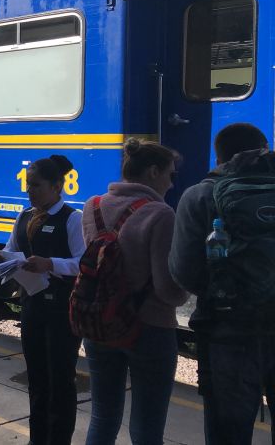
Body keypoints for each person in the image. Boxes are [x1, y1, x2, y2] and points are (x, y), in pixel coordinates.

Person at [169, 123, 275, 444]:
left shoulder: (200, 195)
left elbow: (183, 273)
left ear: (219, 156)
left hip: (228, 332)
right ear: (263, 147)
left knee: (228, 432)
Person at [82, 139, 189, 444]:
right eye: (170, 174)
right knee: (147, 425)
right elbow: (168, 289)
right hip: (150, 330)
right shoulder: (160, 213)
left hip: (99, 323)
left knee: (102, 417)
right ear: (154, 171)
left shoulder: (94, 206)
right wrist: (184, 295)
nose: (171, 182)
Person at [0, 154, 84, 445]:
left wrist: (50, 264)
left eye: (36, 185)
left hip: (62, 311)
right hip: (33, 306)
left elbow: (82, 263)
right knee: (37, 379)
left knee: (60, 380)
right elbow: (11, 248)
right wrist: (4, 260)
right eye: (28, 185)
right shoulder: (23, 217)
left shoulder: (72, 219)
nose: (29, 191)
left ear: (56, 186)